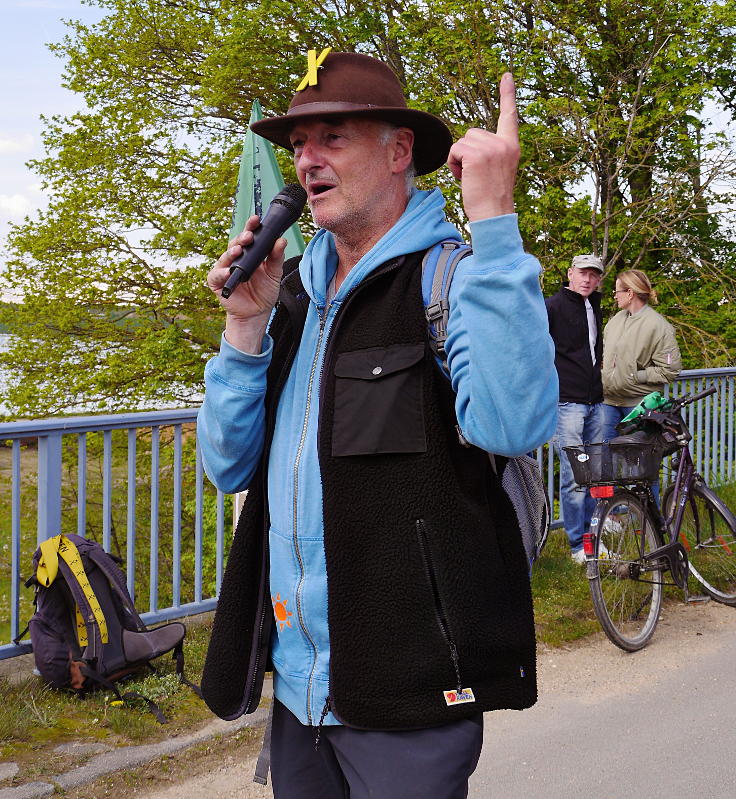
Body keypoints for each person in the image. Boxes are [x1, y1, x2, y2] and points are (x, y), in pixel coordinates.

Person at [197, 50, 558, 799]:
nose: (306, 159)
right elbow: (228, 465)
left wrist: (494, 222)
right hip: (300, 689)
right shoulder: (292, 294)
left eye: (333, 137)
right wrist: (245, 326)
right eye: (298, 143)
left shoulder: (451, 279)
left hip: (411, 692)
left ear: (400, 152)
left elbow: (512, 421)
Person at [601, 269, 682, 501]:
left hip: (639, 406)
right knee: (604, 467)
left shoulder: (658, 325)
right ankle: (611, 521)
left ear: (630, 293)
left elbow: (670, 369)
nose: (614, 296)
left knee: (642, 469)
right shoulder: (615, 321)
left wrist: (635, 376)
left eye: (617, 291)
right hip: (608, 402)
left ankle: (649, 525)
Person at [545, 254, 604, 564]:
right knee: (574, 476)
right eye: (583, 273)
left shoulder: (595, 306)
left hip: (595, 402)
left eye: (594, 275)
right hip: (566, 404)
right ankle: (576, 546)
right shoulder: (552, 306)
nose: (587, 280)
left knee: (594, 474)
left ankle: (593, 537)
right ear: (570, 273)